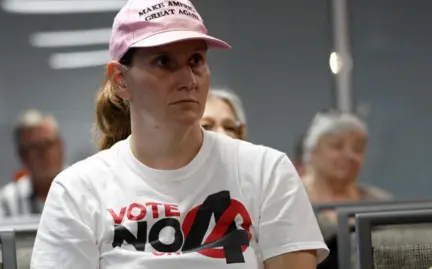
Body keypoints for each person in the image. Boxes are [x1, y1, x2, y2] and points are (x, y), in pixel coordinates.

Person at [31, 0, 328, 268]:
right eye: (164, 62)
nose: (188, 79)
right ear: (121, 79)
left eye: (196, 60)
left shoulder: (267, 172)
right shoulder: (77, 191)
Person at [0, 110, 64, 218]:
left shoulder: (82, 193)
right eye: (34, 147)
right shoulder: (1, 205)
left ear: (60, 147)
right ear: (22, 156)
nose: (43, 153)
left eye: (48, 144)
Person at [301, 110, 391, 204]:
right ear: (312, 151)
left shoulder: (378, 203)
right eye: (337, 146)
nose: (349, 155)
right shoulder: (291, 200)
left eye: (357, 149)